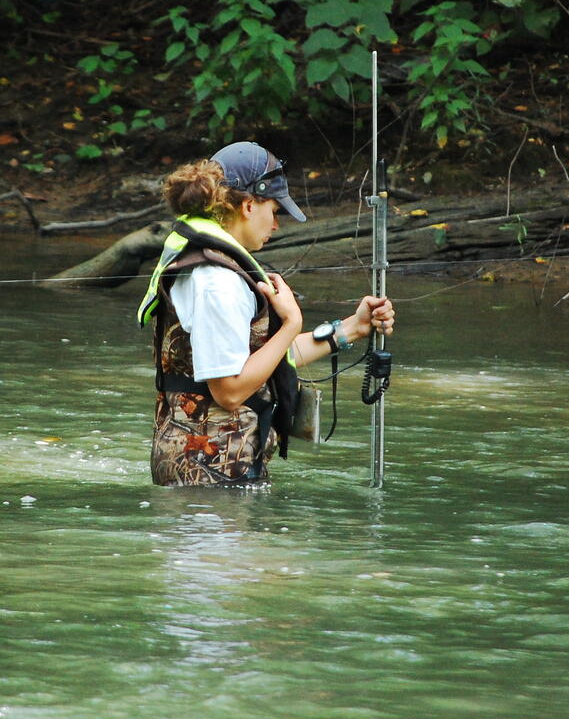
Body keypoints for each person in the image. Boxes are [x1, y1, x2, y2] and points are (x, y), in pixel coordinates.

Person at [137, 141, 396, 486]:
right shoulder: (217, 281)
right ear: (248, 205)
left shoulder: (215, 266)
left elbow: (258, 361)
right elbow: (229, 390)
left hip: (208, 472)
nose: (276, 224)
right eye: (274, 210)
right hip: (209, 479)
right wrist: (291, 324)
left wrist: (351, 329)